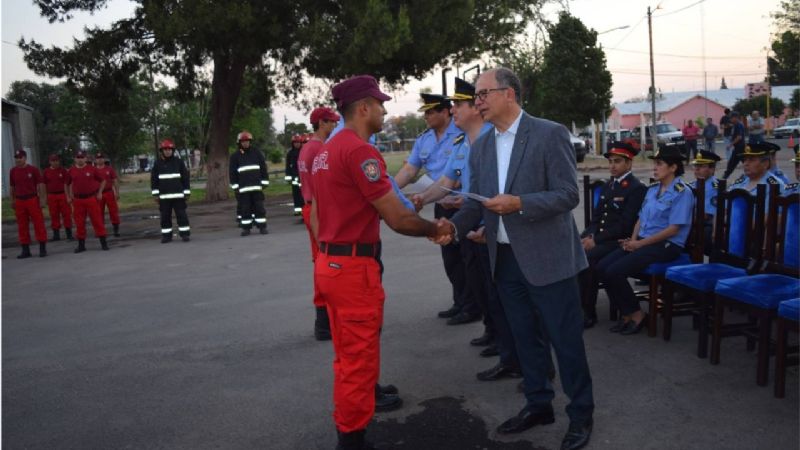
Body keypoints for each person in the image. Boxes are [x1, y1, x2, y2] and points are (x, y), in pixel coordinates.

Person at [438, 68, 594, 450]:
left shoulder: (549, 133)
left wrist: (520, 203)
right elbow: (479, 205)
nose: (477, 103)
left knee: (565, 341)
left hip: (549, 260)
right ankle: (538, 404)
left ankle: (581, 415)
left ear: (509, 94)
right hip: (505, 260)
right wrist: (454, 229)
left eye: (482, 94)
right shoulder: (482, 147)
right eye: (476, 96)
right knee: (525, 340)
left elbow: (566, 195)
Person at [309, 74, 450, 450]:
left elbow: (316, 215)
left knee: (347, 356)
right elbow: (398, 218)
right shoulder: (359, 151)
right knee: (358, 360)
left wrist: (328, 250)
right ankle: (352, 440)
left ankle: (349, 426)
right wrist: (434, 228)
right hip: (353, 270)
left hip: (331, 264)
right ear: (363, 108)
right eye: (381, 103)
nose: (386, 110)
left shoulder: (326, 150)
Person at [412, 77, 519, 370]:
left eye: (458, 105)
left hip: (494, 225)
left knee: (503, 293)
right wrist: (421, 199)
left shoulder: (492, 138)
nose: (453, 110)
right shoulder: (463, 142)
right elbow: (447, 182)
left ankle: (511, 352)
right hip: (471, 223)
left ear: (474, 108)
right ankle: (497, 337)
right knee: (481, 284)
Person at [596, 145, 694, 335]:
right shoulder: (653, 189)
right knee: (602, 267)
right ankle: (627, 314)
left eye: (659, 164)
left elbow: (673, 229)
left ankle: (636, 314)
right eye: (654, 164)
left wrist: (639, 244)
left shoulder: (683, 192)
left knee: (615, 271)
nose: (655, 168)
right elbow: (640, 219)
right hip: (643, 241)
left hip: (666, 245)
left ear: (673, 167)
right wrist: (632, 240)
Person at [394, 93, 475, 321]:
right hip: (440, 202)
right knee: (451, 260)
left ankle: (472, 306)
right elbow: (409, 171)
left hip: (464, 204)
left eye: (431, 111)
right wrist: (390, 192)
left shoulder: (462, 134)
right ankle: (460, 302)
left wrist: (451, 185)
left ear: (446, 111)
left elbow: (458, 174)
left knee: (470, 259)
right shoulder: (424, 140)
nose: (427, 116)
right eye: (425, 112)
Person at [578, 141, 647, 329]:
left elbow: (625, 225)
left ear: (629, 163)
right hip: (601, 239)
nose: (612, 166)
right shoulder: (609, 186)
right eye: (610, 162)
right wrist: (586, 237)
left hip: (619, 240)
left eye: (617, 161)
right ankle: (578, 307)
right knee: (576, 252)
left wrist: (596, 240)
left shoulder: (635, 188)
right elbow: (596, 218)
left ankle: (588, 312)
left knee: (589, 259)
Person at [299, 106, 341, 340]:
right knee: (326, 262)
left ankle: (323, 321)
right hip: (319, 210)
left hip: (310, 207)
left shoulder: (306, 147)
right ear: (322, 123)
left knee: (320, 260)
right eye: (332, 122)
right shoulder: (319, 149)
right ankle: (325, 322)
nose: (335, 125)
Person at [66, 150, 109, 253]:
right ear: (75, 159)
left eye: (82, 157)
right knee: (79, 222)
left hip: (91, 198)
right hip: (78, 200)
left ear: (85, 158)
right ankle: (81, 245)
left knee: (97, 220)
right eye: (78, 157)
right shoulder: (71, 171)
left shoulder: (92, 169)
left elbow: (103, 180)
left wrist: (100, 193)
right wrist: (68, 195)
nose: (80, 159)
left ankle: (103, 243)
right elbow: (67, 183)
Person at [229, 130, 269, 236]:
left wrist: (264, 182)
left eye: (247, 141)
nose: (245, 143)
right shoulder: (235, 156)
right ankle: (246, 228)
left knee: (259, 208)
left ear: (250, 142)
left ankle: (262, 227)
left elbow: (263, 168)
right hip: (243, 189)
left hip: (256, 187)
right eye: (243, 141)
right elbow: (232, 173)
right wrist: (235, 186)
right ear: (239, 143)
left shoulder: (257, 153)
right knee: (245, 209)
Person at [151, 139, 191, 243]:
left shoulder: (179, 162)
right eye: (165, 149)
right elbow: (154, 180)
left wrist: (186, 192)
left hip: (178, 196)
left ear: (172, 150)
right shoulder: (157, 164)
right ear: (162, 151)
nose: (168, 151)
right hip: (164, 197)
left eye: (169, 149)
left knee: (182, 216)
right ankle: (166, 236)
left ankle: (185, 234)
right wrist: (155, 194)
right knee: (165, 217)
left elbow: (185, 178)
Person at [9, 149, 48, 258]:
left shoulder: (33, 170)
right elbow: (12, 186)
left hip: (32, 199)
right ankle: (25, 250)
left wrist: (42, 199)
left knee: (38, 223)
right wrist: (12, 200)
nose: (18, 160)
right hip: (20, 200)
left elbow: (40, 184)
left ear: (25, 158)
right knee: (22, 225)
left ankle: (42, 248)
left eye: (20, 157)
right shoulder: (13, 171)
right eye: (16, 158)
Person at [689, 150, 721, 255]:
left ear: (712, 169)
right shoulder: (692, 185)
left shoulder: (715, 187)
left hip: (703, 225)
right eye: (696, 165)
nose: (697, 169)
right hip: (690, 222)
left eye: (702, 166)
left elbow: (705, 215)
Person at [43, 154, 73, 241]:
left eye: (56, 160)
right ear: (50, 162)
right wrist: (45, 197)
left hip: (62, 194)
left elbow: (67, 183)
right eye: (53, 161)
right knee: (54, 215)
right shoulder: (46, 171)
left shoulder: (63, 171)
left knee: (66, 214)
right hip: (52, 195)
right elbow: (44, 185)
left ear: (59, 161)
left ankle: (69, 234)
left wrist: (68, 196)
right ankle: (56, 235)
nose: (55, 162)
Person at [94, 153, 121, 237]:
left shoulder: (109, 169)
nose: (100, 160)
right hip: (98, 194)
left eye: (101, 158)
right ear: (95, 160)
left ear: (104, 159)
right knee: (98, 213)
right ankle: (100, 231)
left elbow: (115, 181)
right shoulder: (93, 170)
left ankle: (116, 229)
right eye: (98, 158)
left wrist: (117, 192)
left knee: (113, 211)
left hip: (109, 192)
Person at [722, 112, 747, 179]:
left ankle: (724, 177)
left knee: (745, 163)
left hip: (741, 148)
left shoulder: (739, 125)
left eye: (731, 118)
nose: (730, 119)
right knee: (732, 163)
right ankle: (724, 177)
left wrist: (730, 145)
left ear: (735, 117)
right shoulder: (736, 125)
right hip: (737, 148)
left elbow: (739, 137)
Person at [285, 134, 305, 215]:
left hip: (302, 178)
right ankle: (298, 210)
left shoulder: (303, 151)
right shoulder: (290, 154)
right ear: (292, 143)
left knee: (303, 195)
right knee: (296, 196)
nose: (297, 144)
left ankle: (304, 210)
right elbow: (288, 166)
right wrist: (288, 177)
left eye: (298, 142)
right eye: (295, 142)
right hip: (294, 179)